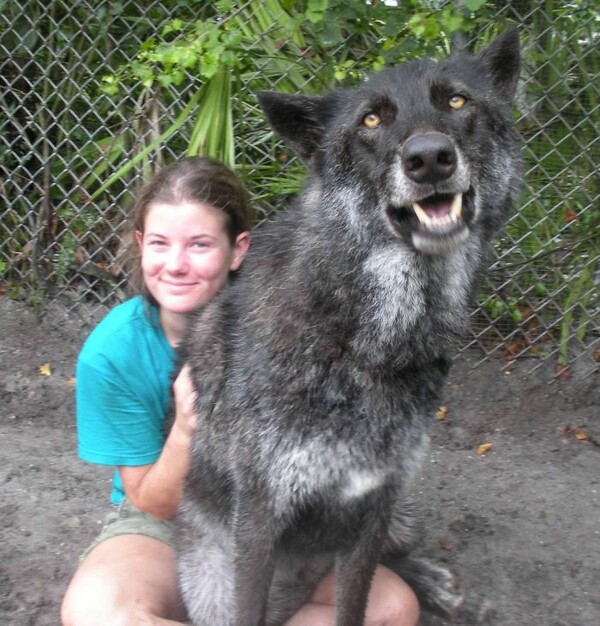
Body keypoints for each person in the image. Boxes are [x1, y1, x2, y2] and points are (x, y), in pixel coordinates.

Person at [61, 156, 420, 626]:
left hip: (284, 523)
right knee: (97, 613)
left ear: (238, 249)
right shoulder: (112, 353)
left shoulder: (287, 320)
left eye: (200, 244)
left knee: (393, 611)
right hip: (167, 523)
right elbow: (152, 500)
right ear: (139, 246)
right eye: (160, 243)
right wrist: (189, 425)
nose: (176, 264)